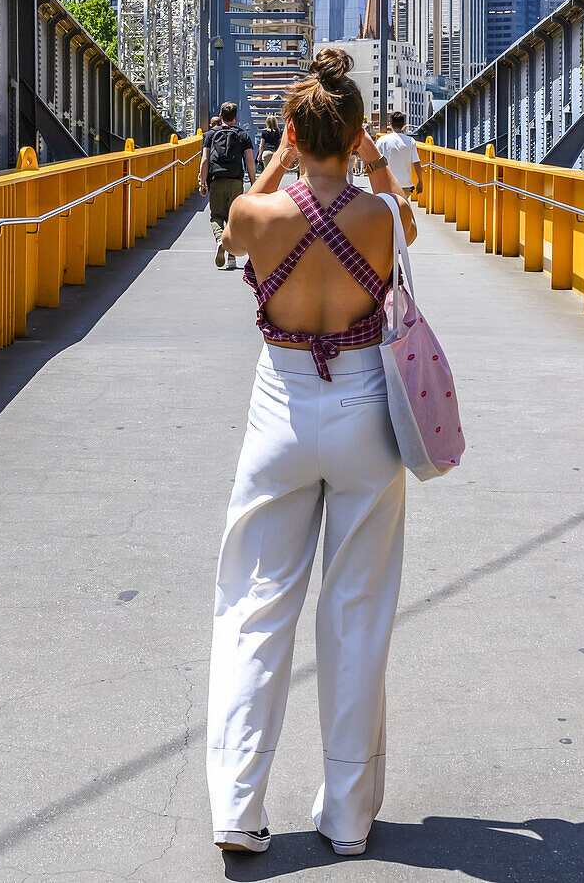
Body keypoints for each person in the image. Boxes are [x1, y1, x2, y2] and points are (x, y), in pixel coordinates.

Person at [206, 48, 418, 858]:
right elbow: (405, 221)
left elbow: (234, 230)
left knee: (256, 607)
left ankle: (237, 807)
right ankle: (347, 816)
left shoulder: (261, 218)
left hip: (281, 410)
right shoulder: (378, 216)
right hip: (367, 408)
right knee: (357, 611)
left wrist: (282, 163)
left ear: (291, 132)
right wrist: (369, 160)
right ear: (358, 132)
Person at [199, 102, 256, 270]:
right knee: (234, 219)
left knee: (216, 215)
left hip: (216, 179)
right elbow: (250, 160)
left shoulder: (210, 135)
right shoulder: (242, 135)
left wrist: (203, 182)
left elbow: (205, 160)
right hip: (236, 181)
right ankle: (231, 256)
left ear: (221, 116)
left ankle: (219, 241)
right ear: (236, 117)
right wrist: (253, 183)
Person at [375, 111, 424, 198]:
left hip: (387, 184)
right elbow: (416, 162)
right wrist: (420, 181)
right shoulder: (410, 141)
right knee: (402, 209)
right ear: (404, 124)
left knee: (389, 209)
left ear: (390, 124)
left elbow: (375, 161)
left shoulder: (382, 140)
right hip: (405, 184)